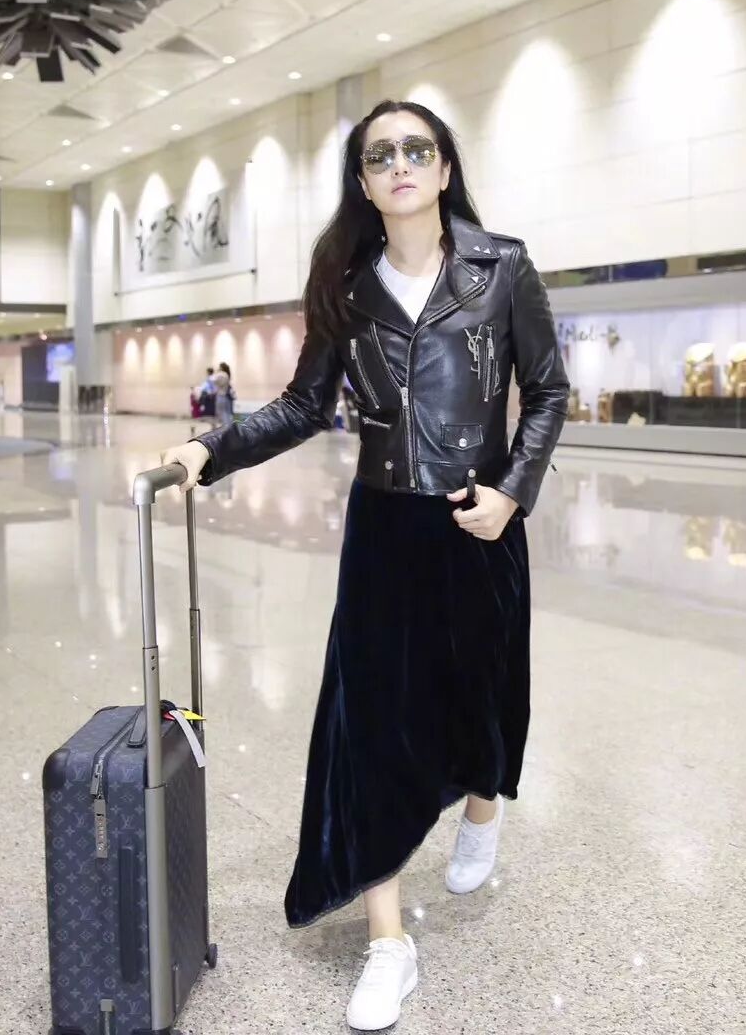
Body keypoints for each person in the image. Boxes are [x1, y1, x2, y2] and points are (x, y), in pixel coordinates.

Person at [159, 99, 568, 1031]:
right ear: (364, 181)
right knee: (371, 726)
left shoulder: (502, 265)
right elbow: (304, 406)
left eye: (418, 149)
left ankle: (483, 804)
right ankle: (389, 943)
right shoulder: (346, 283)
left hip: (479, 521)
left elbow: (547, 390)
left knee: (485, 692)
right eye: (381, 155)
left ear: (445, 168)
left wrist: (512, 492)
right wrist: (209, 449)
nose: (401, 165)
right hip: (383, 530)